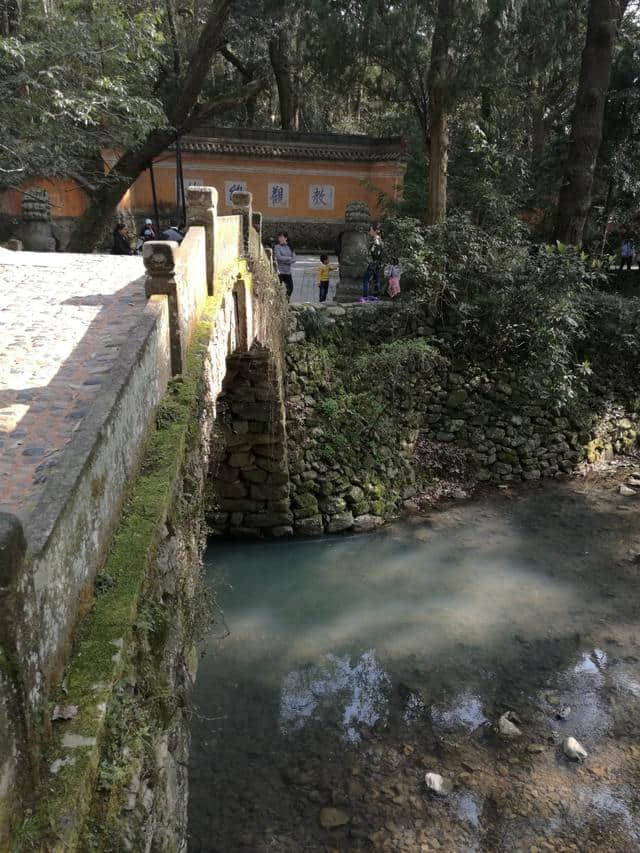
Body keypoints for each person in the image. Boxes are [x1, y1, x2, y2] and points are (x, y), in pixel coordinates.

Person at [274, 231, 296, 300]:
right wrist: (289, 259)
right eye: (279, 237)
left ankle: (286, 302)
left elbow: (294, 259)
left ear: (286, 238)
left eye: (281, 237)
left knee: (290, 289)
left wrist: (284, 260)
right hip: (279, 272)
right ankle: (279, 303)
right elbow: (278, 258)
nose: (279, 238)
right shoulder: (277, 247)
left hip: (288, 272)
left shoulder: (290, 247)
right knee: (278, 289)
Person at [362, 224, 383, 298]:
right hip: (377, 263)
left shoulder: (376, 241)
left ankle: (365, 297)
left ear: (375, 231)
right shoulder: (379, 239)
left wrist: (368, 255)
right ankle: (376, 296)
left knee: (365, 280)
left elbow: (375, 253)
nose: (369, 232)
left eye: (370, 230)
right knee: (376, 280)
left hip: (374, 263)